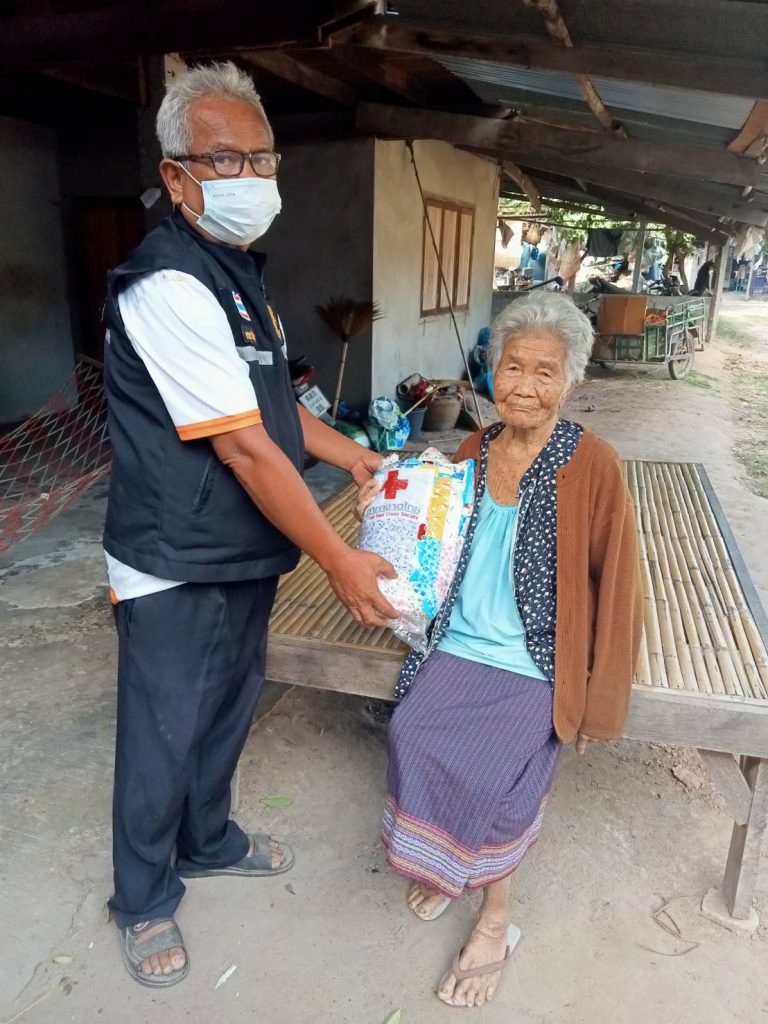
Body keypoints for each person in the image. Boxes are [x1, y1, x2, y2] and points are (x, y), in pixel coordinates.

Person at [102, 61, 397, 987]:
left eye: (263, 157)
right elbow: (246, 449)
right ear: (178, 175)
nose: (253, 176)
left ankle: (209, 840)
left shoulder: (240, 278)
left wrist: (353, 455)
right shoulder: (167, 285)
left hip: (237, 546)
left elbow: (274, 411)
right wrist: (339, 558)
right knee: (163, 729)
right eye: (226, 159)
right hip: (174, 556)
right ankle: (143, 897)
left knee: (228, 707)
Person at [358, 290, 643, 1008]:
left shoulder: (594, 464)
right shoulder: (473, 450)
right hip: (459, 640)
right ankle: (449, 866)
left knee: (493, 774)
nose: (524, 385)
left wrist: (600, 700)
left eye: (546, 372)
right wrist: (382, 507)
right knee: (410, 733)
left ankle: (495, 916)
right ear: (492, 370)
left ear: (570, 381)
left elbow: (619, 583)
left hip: (535, 658)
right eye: (513, 366)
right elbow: (425, 538)